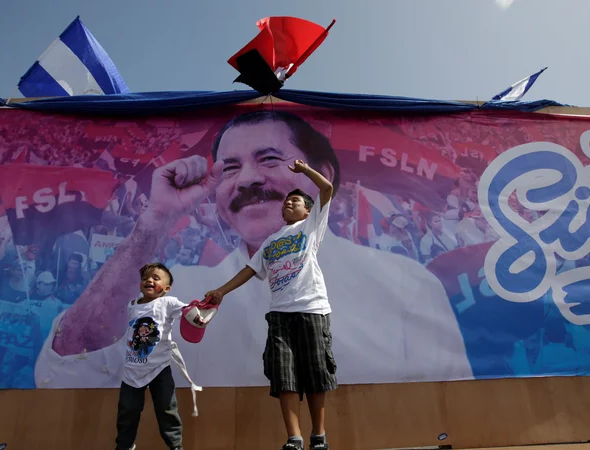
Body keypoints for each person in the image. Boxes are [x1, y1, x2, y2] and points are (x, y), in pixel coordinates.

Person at [35, 110, 471, 393]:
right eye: (229, 168)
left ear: (321, 177)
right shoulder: (177, 293)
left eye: (268, 159)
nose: (246, 180)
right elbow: (69, 371)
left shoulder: (406, 286)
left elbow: (452, 420)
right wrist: (155, 221)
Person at [204, 160, 336, 450]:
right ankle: (294, 438)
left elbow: (326, 188)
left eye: (296, 201)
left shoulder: (311, 227)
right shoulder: (270, 241)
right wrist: (222, 291)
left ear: (308, 210)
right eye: (287, 201)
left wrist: (304, 172)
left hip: (312, 310)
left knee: (316, 374)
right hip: (279, 316)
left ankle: (319, 436)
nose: (289, 203)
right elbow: (250, 270)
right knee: (284, 376)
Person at [114, 262, 187, 450]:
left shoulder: (168, 303)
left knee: (167, 410)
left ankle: (176, 447)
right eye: (146, 278)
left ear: (167, 288)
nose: (150, 280)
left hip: (159, 370)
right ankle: (124, 447)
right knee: (127, 413)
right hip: (132, 372)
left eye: (156, 278)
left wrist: (201, 314)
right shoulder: (132, 305)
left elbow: (189, 313)